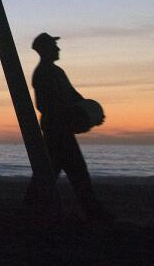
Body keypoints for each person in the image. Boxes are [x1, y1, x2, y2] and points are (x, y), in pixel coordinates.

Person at [24, 32, 112, 221]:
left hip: (59, 129)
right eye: (54, 46)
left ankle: (28, 208)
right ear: (45, 49)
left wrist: (90, 112)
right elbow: (43, 105)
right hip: (57, 130)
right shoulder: (43, 73)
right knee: (76, 171)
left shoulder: (57, 72)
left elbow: (74, 95)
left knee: (49, 172)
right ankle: (94, 213)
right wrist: (73, 115)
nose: (58, 49)